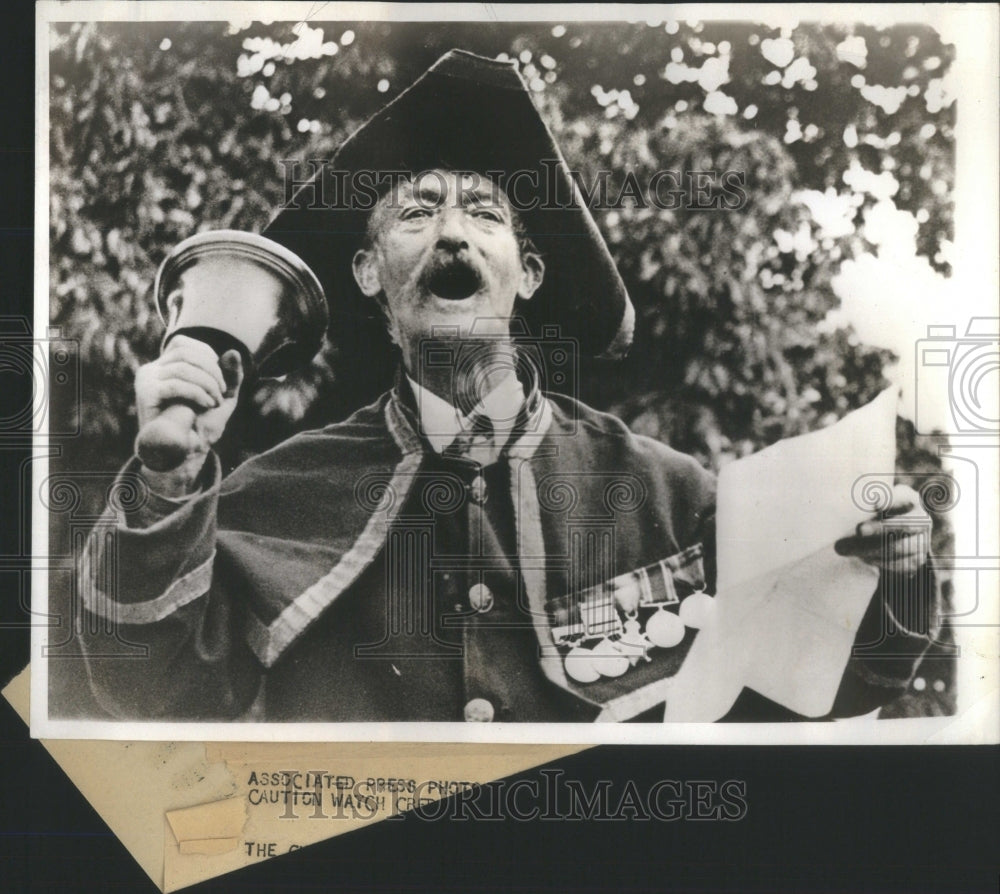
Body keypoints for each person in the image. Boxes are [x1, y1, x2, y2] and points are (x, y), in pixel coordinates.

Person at [77, 50, 938, 723]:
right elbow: (143, 690)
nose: (452, 233)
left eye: (484, 213)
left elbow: (832, 684)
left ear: (526, 273)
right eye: (417, 212)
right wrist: (165, 485)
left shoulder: (669, 495)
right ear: (370, 273)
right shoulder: (277, 493)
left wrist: (894, 568)